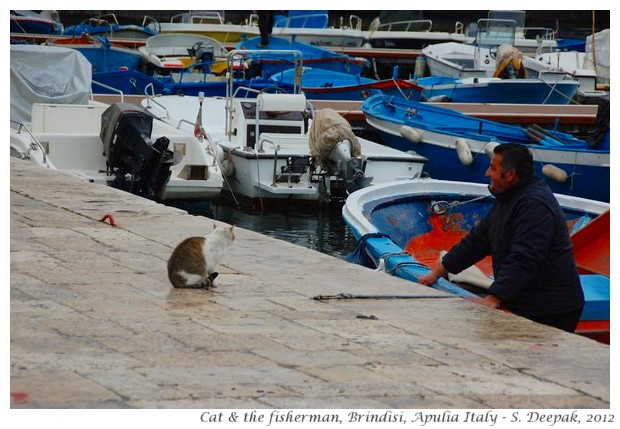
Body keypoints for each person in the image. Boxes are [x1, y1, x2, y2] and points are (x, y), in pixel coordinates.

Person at [418, 143, 584, 333]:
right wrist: (436, 273)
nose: (487, 173)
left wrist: (494, 297)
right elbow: (477, 241)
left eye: (493, 168)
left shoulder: (534, 205)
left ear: (510, 174)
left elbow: (525, 257)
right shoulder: (510, 197)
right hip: (522, 299)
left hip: (550, 309)